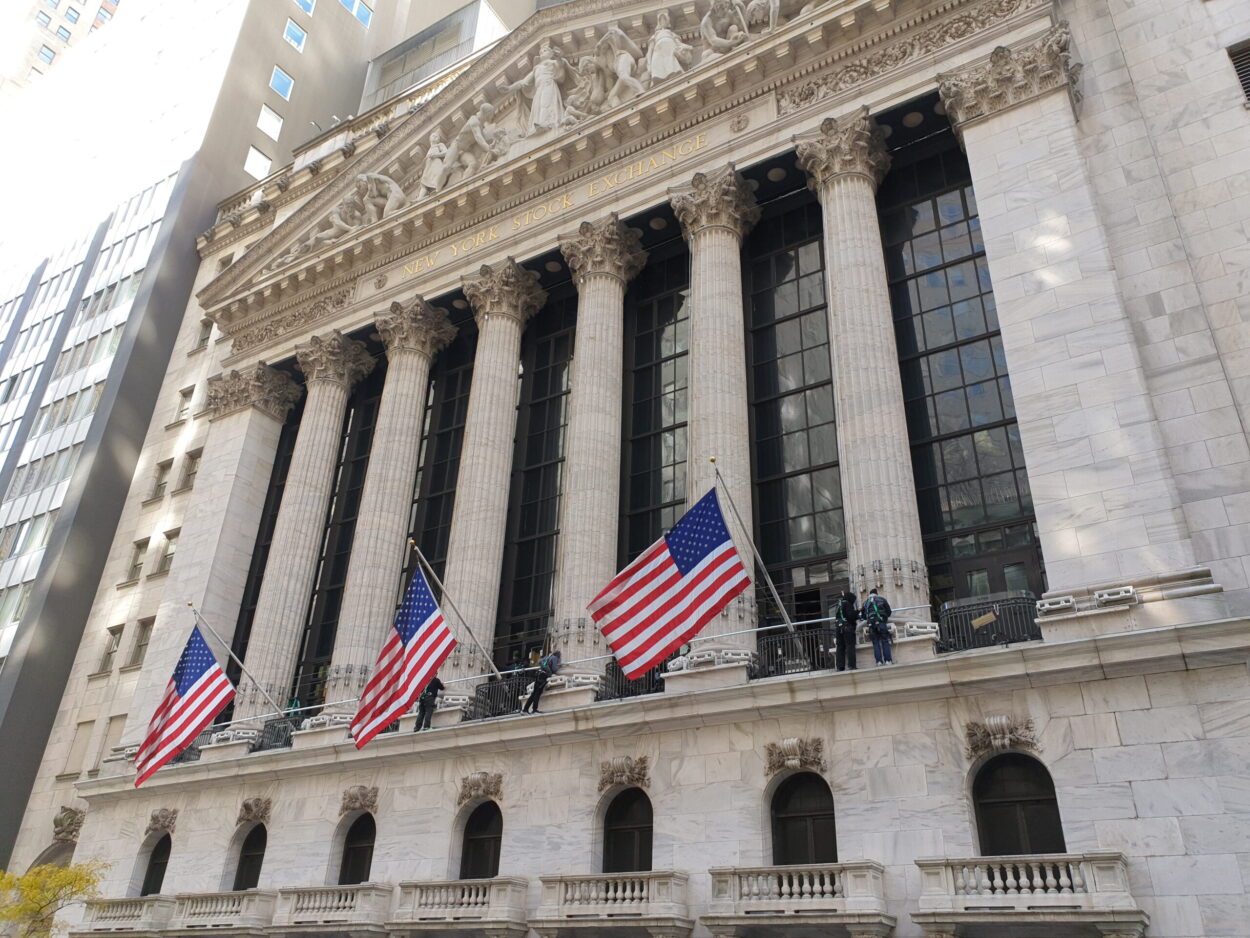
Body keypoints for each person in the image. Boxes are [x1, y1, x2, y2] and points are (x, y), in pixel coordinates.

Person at [863, 588, 894, 666]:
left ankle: (879, 662)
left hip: (871, 625)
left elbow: (863, 616)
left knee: (875, 643)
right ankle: (888, 661)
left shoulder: (865, 603)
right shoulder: (882, 599)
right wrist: (884, 617)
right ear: (876, 594)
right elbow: (889, 612)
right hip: (881, 623)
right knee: (884, 641)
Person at [833, 591, 858, 672]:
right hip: (847, 628)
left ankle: (840, 667)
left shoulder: (838, 605)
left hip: (838, 628)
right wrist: (857, 613)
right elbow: (851, 616)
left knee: (840, 647)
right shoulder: (847, 604)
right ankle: (851, 665)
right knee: (850, 646)